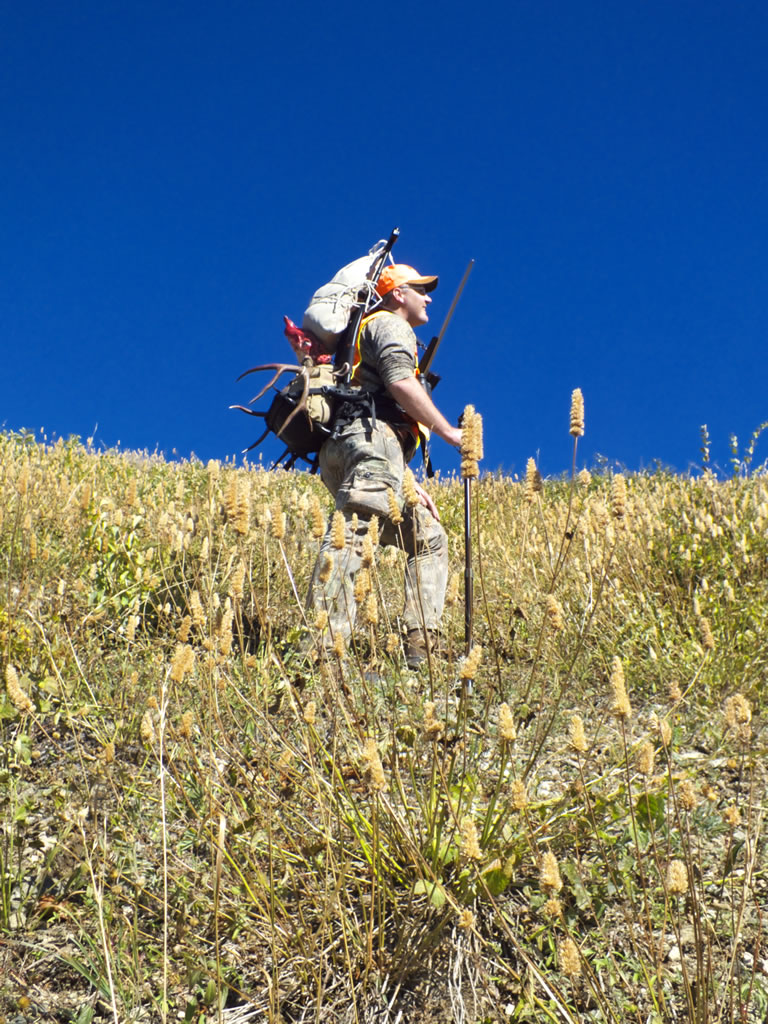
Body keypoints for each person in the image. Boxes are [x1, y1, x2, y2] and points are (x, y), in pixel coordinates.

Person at [306, 263, 463, 669]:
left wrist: (406, 480)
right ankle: (323, 654)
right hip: (369, 444)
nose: (428, 298)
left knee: (428, 539)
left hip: (358, 449)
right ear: (397, 294)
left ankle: (421, 646)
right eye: (420, 289)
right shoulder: (391, 326)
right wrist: (448, 432)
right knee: (355, 534)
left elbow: (377, 402)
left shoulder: (369, 331)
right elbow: (399, 383)